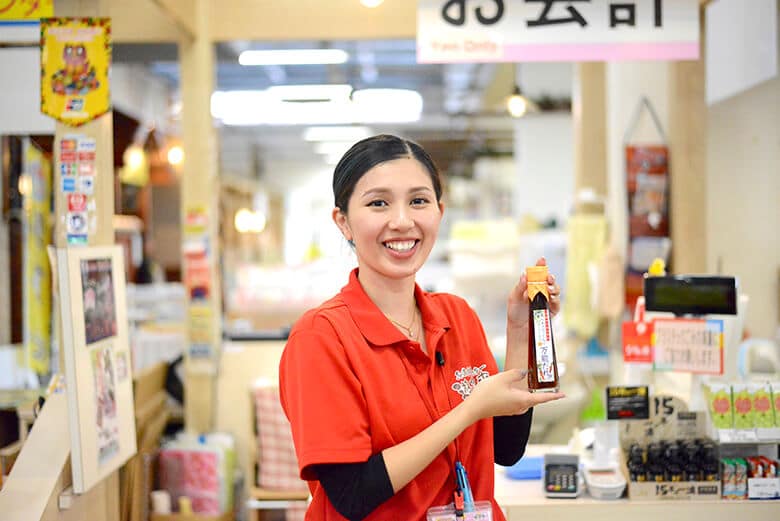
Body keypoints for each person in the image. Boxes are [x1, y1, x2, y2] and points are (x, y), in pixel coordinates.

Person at [279, 134, 565, 521]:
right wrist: (467, 412)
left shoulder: (457, 315)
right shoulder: (321, 337)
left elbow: (505, 447)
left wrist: (519, 330)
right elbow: (352, 494)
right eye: (378, 203)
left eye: (418, 201)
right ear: (343, 221)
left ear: (439, 212)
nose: (402, 221)